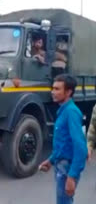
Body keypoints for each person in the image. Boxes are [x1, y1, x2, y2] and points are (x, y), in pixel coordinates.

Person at [39, 74, 87, 204]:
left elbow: (80, 147)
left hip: (67, 168)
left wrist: (72, 176)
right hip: (61, 165)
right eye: (53, 88)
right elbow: (63, 143)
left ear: (68, 92)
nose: (52, 92)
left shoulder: (71, 112)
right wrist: (50, 160)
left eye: (57, 89)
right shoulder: (63, 111)